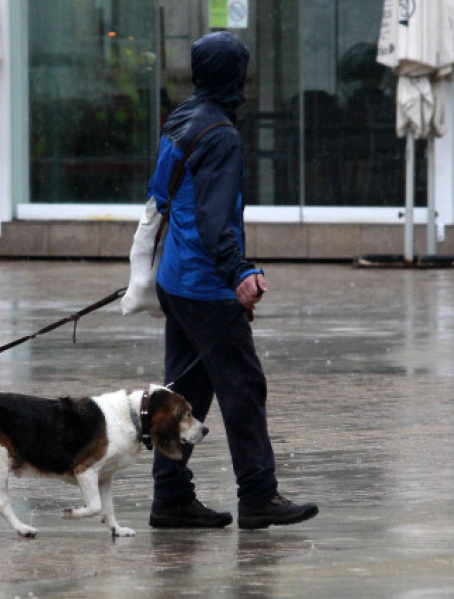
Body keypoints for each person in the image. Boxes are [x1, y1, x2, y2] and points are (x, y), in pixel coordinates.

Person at [147, 31, 318, 530]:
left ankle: (171, 499)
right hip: (204, 285)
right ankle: (259, 494)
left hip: (174, 279)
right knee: (243, 386)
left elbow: (161, 191)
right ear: (235, 76)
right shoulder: (221, 133)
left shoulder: (181, 118)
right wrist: (238, 270)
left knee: (185, 393)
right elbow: (215, 218)